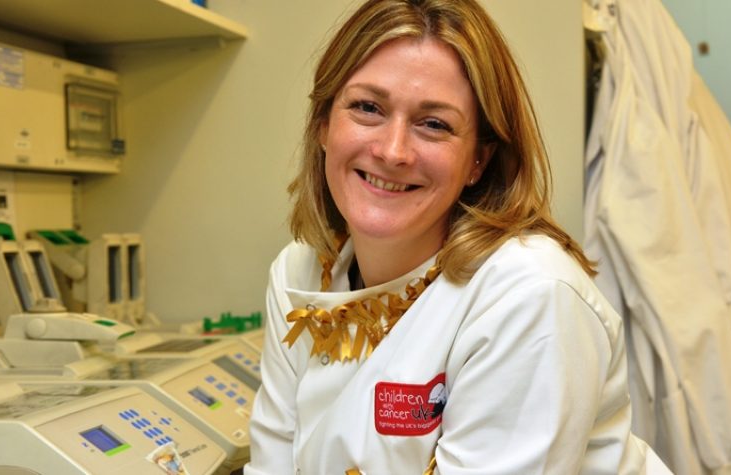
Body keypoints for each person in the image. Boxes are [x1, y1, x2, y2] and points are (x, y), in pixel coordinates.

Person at [244, 0, 670, 473]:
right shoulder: (298, 271)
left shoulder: (530, 295)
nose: (392, 150)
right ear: (323, 125)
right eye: (368, 107)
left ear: (478, 161)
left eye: (434, 124)